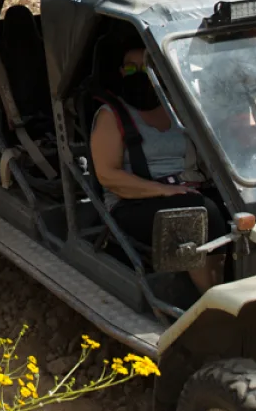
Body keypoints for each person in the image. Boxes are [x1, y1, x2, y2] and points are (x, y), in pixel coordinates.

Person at [90, 47, 226, 293]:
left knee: (234, 206)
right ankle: (211, 297)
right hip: (133, 201)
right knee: (201, 213)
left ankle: (238, 280)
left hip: (188, 188)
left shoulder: (178, 110)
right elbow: (108, 176)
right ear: (122, 72)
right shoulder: (111, 115)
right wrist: (161, 190)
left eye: (147, 68)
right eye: (132, 68)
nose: (139, 74)